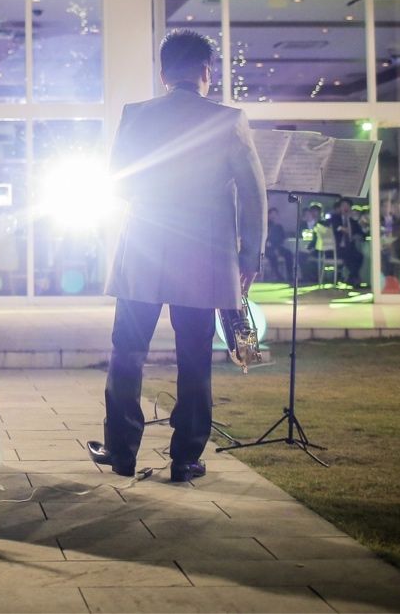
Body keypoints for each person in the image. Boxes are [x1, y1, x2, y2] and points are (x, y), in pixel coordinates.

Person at [87, 29, 266, 483]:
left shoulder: (136, 115)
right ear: (207, 71)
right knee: (194, 355)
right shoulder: (229, 120)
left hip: (144, 246)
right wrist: (250, 254)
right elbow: (253, 193)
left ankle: (121, 450)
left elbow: (118, 182)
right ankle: (186, 457)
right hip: (203, 253)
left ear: (163, 73)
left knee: (127, 351)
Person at [328, 197, 365, 287]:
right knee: (350, 255)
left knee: (359, 256)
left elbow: (362, 234)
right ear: (340, 207)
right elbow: (332, 226)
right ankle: (354, 279)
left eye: (347, 205)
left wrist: (358, 235)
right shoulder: (335, 218)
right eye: (343, 205)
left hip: (350, 247)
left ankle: (352, 277)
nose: (345, 207)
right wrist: (341, 228)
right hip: (337, 248)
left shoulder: (353, 221)